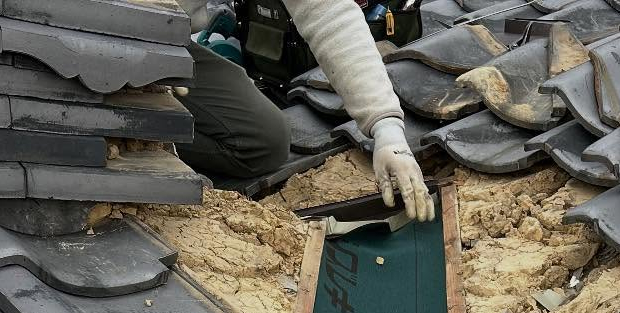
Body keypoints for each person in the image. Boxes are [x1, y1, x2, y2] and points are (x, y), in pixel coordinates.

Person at [178, 0, 434, 221]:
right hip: (140, 38)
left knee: (265, 140)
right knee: (152, 122)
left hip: (172, 41)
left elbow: (329, 15)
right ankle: (146, 144)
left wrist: (387, 128)